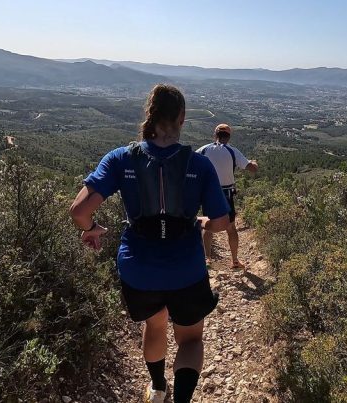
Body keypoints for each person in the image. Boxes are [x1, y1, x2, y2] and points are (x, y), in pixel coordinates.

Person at [69, 84, 230, 403]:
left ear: (149, 116)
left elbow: (79, 211)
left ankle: (157, 389)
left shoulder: (120, 158)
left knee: (155, 327)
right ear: (182, 119)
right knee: (190, 340)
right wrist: (203, 223)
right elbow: (222, 222)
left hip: (139, 268)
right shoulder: (198, 165)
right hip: (186, 268)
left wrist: (92, 229)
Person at [196, 124, 258, 270]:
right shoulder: (232, 151)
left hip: (209, 193)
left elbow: (190, 164)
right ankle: (235, 262)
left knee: (208, 225)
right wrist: (254, 162)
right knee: (230, 228)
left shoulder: (203, 150)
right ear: (228, 136)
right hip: (227, 193)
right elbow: (252, 169)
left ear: (215, 135)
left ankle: (207, 259)